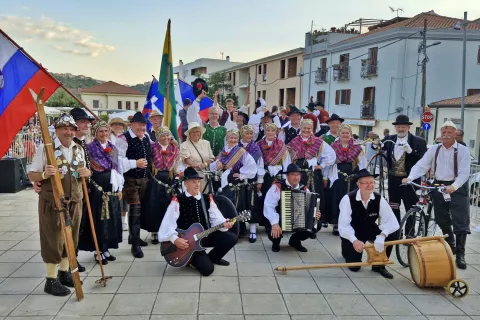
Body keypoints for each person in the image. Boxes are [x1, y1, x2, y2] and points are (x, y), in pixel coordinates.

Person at [28, 113, 91, 296]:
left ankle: (64, 273)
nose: (69, 132)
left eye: (72, 129)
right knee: (53, 239)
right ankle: (51, 279)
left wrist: (87, 172)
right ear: (56, 130)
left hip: (75, 201)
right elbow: (32, 175)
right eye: (65, 128)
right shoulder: (45, 149)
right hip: (53, 202)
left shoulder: (78, 149)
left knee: (70, 238)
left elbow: (81, 173)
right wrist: (44, 175)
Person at [405, 119, 471, 269]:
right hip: (439, 185)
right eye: (444, 132)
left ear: (455, 134)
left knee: (460, 222)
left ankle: (460, 254)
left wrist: (454, 186)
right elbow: (422, 165)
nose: (446, 134)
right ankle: (451, 245)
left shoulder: (463, 150)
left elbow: (464, 173)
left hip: (457, 187)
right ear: (440, 134)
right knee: (442, 219)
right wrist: (410, 177)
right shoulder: (434, 149)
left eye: (449, 132)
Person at [158, 167, 237, 276]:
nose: (197, 185)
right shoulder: (178, 200)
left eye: (198, 182)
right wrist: (175, 239)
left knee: (231, 237)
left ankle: (213, 258)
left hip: (205, 235)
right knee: (207, 270)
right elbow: (167, 223)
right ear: (186, 184)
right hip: (189, 244)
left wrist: (224, 223)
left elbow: (216, 218)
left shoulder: (207, 198)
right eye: (193, 182)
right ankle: (192, 258)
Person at [338, 169, 399, 279]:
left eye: (371, 182)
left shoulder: (379, 198)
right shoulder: (347, 199)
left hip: (370, 227)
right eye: (366, 183)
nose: (370, 185)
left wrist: (382, 235)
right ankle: (346, 248)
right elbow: (343, 226)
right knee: (355, 267)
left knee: (393, 233)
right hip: (353, 231)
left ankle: (379, 265)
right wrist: (354, 240)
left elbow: (392, 222)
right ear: (358, 184)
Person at [79, 121, 124, 264]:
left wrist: (120, 188)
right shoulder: (89, 148)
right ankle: (98, 251)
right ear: (95, 133)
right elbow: (86, 168)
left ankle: (106, 248)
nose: (104, 134)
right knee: (99, 219)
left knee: (110, 219)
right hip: (97, 188)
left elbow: (117, 168)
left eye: (106, 131)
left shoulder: (113, 148)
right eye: (101, 132)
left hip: (111, 188)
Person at [382, 115, 427, 234]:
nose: (400, 129)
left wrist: (411, 152)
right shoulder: (389, 139)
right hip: (393, 179)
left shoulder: (418, 141)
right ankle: (396, 231)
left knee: (409, 207)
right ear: (395, 127)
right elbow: (377, 145)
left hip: (410, 179)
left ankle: (410, 232)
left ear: (408, 127)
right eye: (398, 126)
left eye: (403, 126)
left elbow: (423, 160)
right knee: (394, 206)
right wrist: (376, 146)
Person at [116, 112, 152, 258]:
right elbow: (117, 162)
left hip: (144, 180)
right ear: (132, 124)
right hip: (129, 180)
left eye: (144, 125)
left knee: (138, 210)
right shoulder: (122, 139)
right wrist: (134, 163)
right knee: (135, 210)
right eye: (139, 125)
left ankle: (133, 237)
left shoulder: (147, 137)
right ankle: (135, 246)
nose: (142, 128)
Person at [263, 163, 321, 252]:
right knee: (272, 225)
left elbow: (311, 208)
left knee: (317, 224)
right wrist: (274, 223)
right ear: (287, 175)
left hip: (298, 221)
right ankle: (276, 241)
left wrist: (315, 214)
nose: (296, 177)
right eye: (293, 175)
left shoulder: (304, 189)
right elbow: (269, 206)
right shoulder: (278, 187)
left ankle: (295, 240)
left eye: (298, 175)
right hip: (280, 219)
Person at [287, 119, 336, 220]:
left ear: (312, 129)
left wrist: (321, 165)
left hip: (313, 174)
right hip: (298, 174)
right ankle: (299, 221)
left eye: (309, 128)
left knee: (314, 197)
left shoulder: (318, 141)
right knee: (299, 196)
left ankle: (313, 223)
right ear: (300, 128)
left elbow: (331, 154)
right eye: (304, 127)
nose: (306, 130)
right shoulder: (294, 141)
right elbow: (288, 157)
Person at [141, 126, 180, 244]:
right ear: (158, 136)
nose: (165, 138)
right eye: (163, 135)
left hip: (170, 180)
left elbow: (177, 164)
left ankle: (169, 231)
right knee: (154, 206)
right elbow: (148, 162)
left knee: (169, 206)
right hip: (155, 180)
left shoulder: (174, 148)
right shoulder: (152, 147)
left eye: (167, 135)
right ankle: (155, 232)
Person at [328, 124, 367, 236]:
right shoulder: (333, 147)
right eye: (343, 133)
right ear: (339, 134)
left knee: (352, 201)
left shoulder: (357, 148)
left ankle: (350, 223)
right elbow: (329, 163)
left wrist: (362, 178)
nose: (345, 135)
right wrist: (328, 177)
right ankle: (336, 224)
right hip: (338, 178)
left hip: (353, 179)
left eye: (347, 133)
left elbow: (363, 164)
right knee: (338, 200)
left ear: (350, 135)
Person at [257, 123, 292, 228]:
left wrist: (286, 176)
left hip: (278, 174)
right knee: (264, 196)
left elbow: (286, 161)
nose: (270, 132)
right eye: (268, 130)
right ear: (265, 132)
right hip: (265, 173)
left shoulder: (281, 144)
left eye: (272, 130)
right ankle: (265, 222)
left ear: (276, 132)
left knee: (277, 198)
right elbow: (258, 161)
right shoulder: (259, 144)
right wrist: (260, 178)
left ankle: (278, 222)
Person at [211, 129, 256, 200]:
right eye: (231, 138)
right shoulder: (224, 149)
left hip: (234, 180)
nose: (233, 140)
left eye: (235, 138)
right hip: (223, 177)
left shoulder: (240, 151)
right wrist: (218, 162)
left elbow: (251, 164)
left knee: (232, 200)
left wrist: (242, 175)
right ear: (227, 138)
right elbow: (219, 160)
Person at [238, 125, 265, 243]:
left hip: (252, 181)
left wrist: (260, 180)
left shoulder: (255, 148)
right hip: (238, 181)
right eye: (246, 133)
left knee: (252, 204)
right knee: (240, 204)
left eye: (251, 134)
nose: (249, 136)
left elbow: (260, 165)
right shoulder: (236, 146)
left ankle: (253, 230)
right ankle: (240, 228)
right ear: (242, 134)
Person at [179, 122, 215, 191]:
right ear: (189, 134)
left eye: (197, 131)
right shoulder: (184, 145)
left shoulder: (206, 143)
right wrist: (195, 165)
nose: (195, 134)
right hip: (192, 174)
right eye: (193, 132)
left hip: (205, 175)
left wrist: (204, 164)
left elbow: (211, 158)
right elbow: (186, 159)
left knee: (205, 196)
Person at [109, 117, 129, 231]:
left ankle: (123, 220)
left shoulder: (125, 138)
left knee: (124, 196)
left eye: (120, 125)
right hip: (111, 169)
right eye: (115, 124)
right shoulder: (108, 137)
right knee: (113, 194)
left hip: (124, 168)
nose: (118, 127)